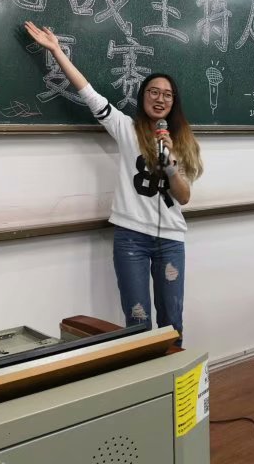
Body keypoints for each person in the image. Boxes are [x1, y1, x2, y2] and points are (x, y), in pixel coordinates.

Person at [23, 21, 203, 346]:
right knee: (137, 321)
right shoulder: (127, 129)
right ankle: (143, 376)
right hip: (131, 239)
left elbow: (184, 197)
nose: (160, 99)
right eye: (153, 92)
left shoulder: (183, 143)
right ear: (143, 96)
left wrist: (171, 168)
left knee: (172, 319)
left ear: (173, 103)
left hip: (170, 240)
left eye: (167, 95)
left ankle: (173, 375)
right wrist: (57, 52)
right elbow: (89, 94)